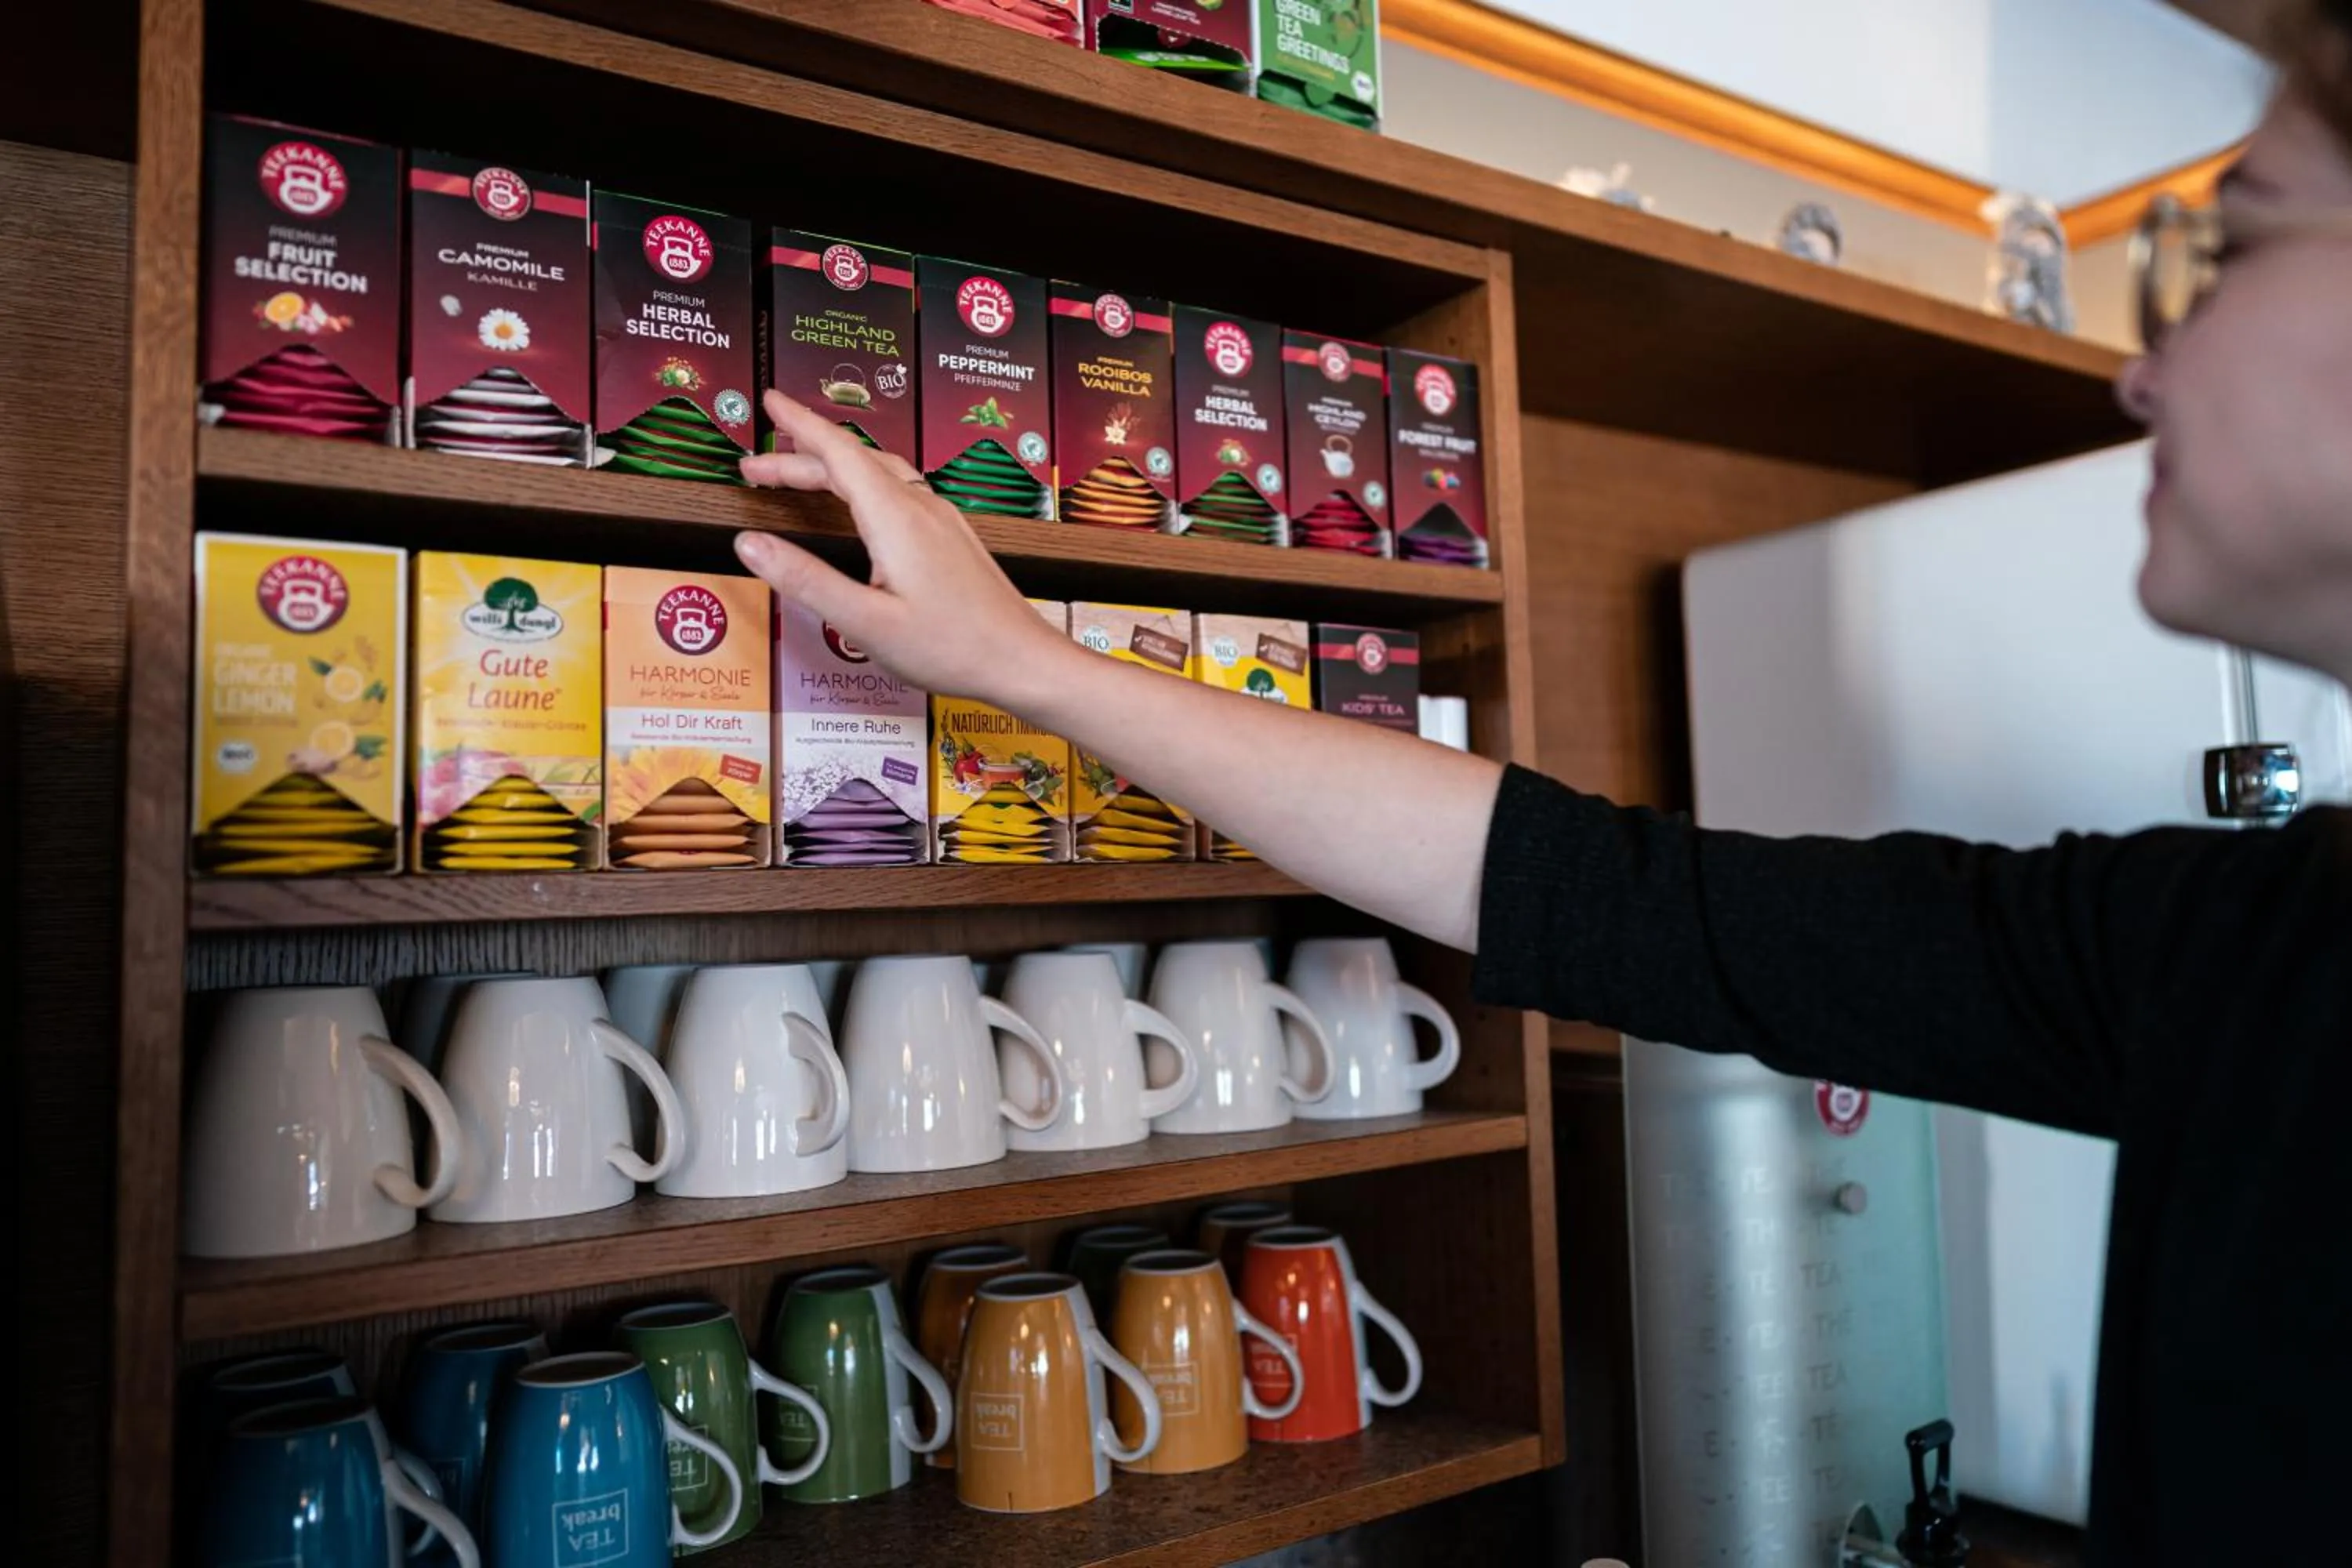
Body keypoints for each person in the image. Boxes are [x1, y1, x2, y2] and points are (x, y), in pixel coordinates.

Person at [729, 9, 2352, 1560]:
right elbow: (1579, 890)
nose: (2138, 374)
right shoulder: (2233, 938)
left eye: (2238, 250)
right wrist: (1022, 660)